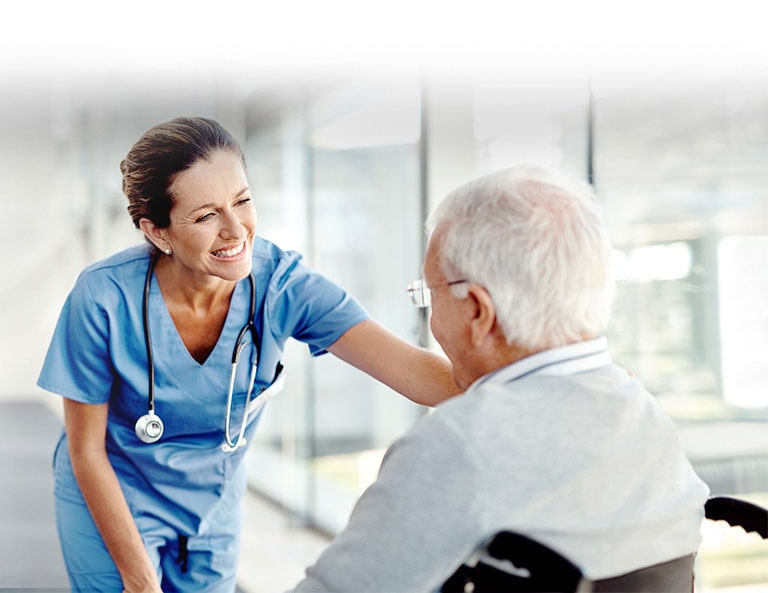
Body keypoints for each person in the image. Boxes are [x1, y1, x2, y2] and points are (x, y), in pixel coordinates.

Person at [36, 117, 458, 593]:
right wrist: (139, 579)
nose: (236, 230)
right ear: (158, 234)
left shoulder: (282, 284)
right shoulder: (102, 297)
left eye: (242, 201)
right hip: (115, 489)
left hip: (213, 501)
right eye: (205, 216)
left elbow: (413, 373)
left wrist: (529, 365)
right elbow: (85, 450)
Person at [289, 167, 710, 592]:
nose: (430, 317)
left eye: (428, 295)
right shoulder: (646, 415)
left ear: (476, 310)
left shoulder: (457, 444)